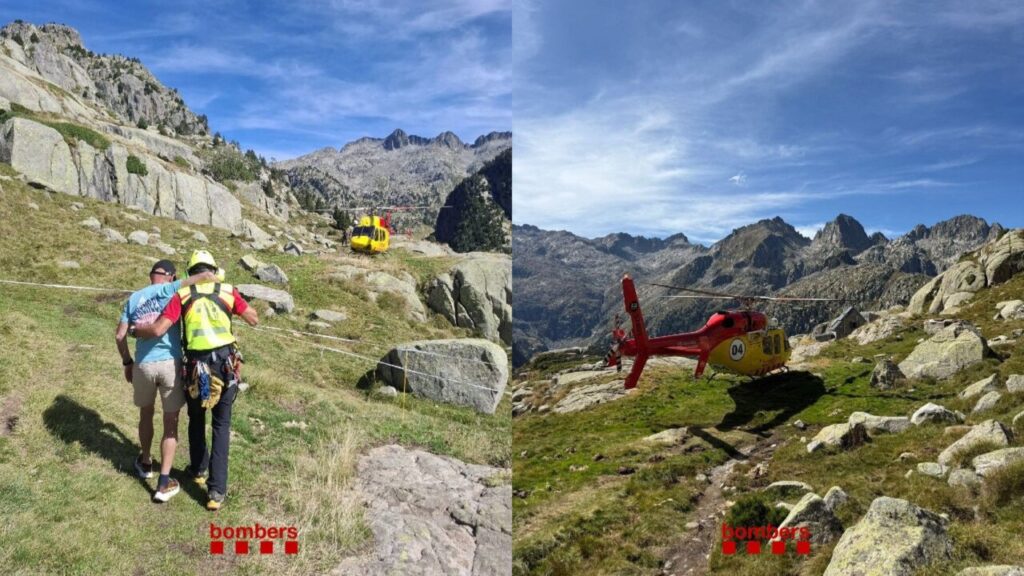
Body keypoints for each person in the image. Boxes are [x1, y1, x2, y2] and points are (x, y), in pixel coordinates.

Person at [132, 250, 258, 511]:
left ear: (190, 273)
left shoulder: (182, 294)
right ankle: (216, 492)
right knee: (221, 426)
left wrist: (136, 330)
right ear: (212, 268)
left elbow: (162, 326)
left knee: (197, 417)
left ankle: (199, 469)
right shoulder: (227, 291)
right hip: (226, 365)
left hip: (196, 367)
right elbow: (253, 319)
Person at [115, 260, 216, 502]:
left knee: (146, 414)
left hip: (143, 365)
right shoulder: (170, 290)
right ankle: (163, 482)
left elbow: (120, 335)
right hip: (170, 364)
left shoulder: (134, 298)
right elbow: (195, 279)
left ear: (152, 275)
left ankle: (146, 461)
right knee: (171, 423)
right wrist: (211, 275)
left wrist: (127, 362)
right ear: (169, 276)